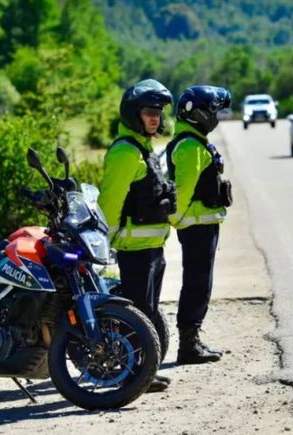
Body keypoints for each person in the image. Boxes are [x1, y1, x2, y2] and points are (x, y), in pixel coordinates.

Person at [98, 79, 176, 391]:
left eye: (158, 112)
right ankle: (135, 376)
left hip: (153, 248)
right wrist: (104, 241)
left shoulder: (144, 149)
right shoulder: (125, 153)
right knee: (137, 315)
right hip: (134, 248)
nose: (155, 117)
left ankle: (146, 369)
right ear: (134, 114)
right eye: (148, 112)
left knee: (149, 310)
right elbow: (111, 201)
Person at [166, 85, 232, 365]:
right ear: (197, 114)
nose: (214, 116)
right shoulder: (191, 146)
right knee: (197, 283)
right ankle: (188, 346)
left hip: (201, 224)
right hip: (195, 226)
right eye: (211, 110)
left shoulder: (195, 141)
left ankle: (192, 341)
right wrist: (177, 221)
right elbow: (183, 191)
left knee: (200, 282)